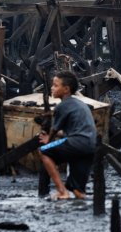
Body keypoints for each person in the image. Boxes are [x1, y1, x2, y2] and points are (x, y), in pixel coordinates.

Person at [37, 71, 97, 200]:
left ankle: (61, 190)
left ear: (66, 89)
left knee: (44, 151)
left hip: (78, 142)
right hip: (90, 146)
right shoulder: (79, 104)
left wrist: (48, 139)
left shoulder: (63, 105)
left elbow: (54, 129)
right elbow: (71, 130)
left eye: (55, 85)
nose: (52, 88)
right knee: (78, 191)